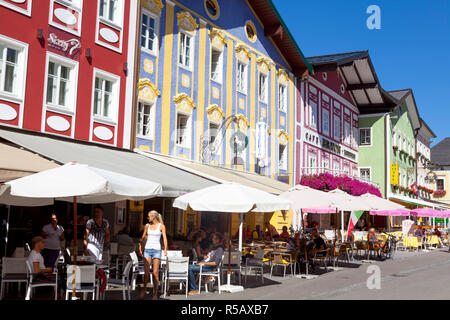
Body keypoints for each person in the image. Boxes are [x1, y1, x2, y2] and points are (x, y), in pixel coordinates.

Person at [139, 210, 168, 300]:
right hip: (147, 250)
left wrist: (166, 249)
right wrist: (140, 247)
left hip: (157, 250)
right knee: (146, 273)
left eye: (149, 216)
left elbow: (165, 238)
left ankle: (155, 293)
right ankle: (144, 289)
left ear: (153, 217)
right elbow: (143, 238)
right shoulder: (147, 226)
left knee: (155, 273)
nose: (148, 218)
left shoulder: (161, 226)